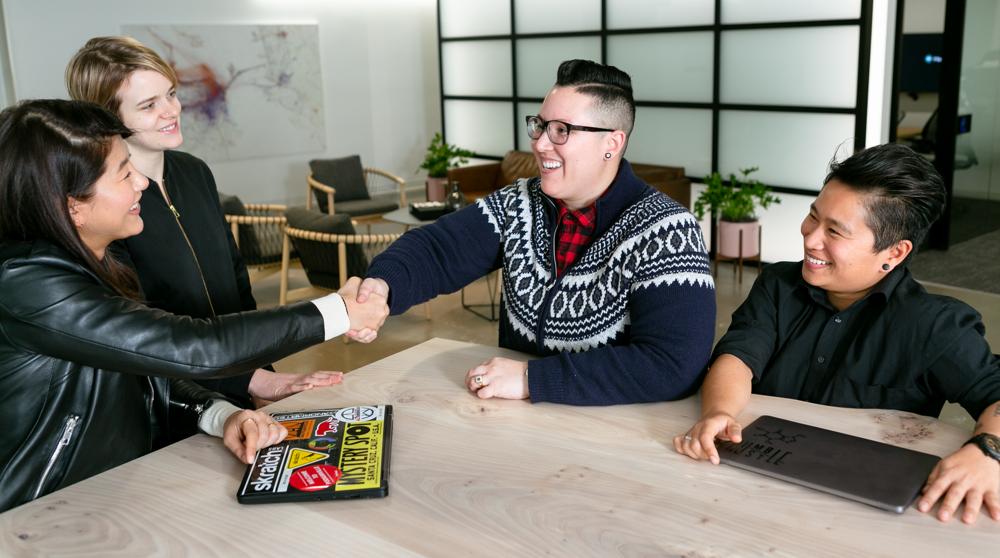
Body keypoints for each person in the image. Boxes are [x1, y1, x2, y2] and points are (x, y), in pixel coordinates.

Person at [0, 99, 387, 512]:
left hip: (113, 494)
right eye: (124, 173)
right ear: (72, 204)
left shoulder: (91, 260)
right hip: (37, 517)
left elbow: (139, 371)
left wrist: (221, 414)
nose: (141, 183)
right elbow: (197, 346)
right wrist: (339, 310)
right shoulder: (25, 282)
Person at [352, 59, 716, 405]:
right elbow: (438, 250)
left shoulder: (667, 230)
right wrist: (381, 287)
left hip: (617, 435)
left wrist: (532, 379)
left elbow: (672, 365)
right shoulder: (519, 201)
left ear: (612, 143)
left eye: (562, 130)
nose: (540, 144)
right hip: (520, 424)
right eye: (540, 125)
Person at [673, 143, 1000, 524]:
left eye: (835, 231)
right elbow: (739, 356)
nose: (811, 238)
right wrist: (719, 413)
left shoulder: (935, 325)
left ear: (893, 254)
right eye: (814, 216)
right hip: (745, 486)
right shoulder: (778, 285)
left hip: (857, 513)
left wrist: (987, 451)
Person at [65, 36, 329, 409]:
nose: (171, 110)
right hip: (177, 396)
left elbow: (236, 277)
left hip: (245, 372)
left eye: (170, 94)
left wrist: (258, 361)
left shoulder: (195, 170)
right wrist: (247, 379)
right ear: (109, 119)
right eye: (148, 105)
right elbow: (140, 335)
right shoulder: (106, 205)